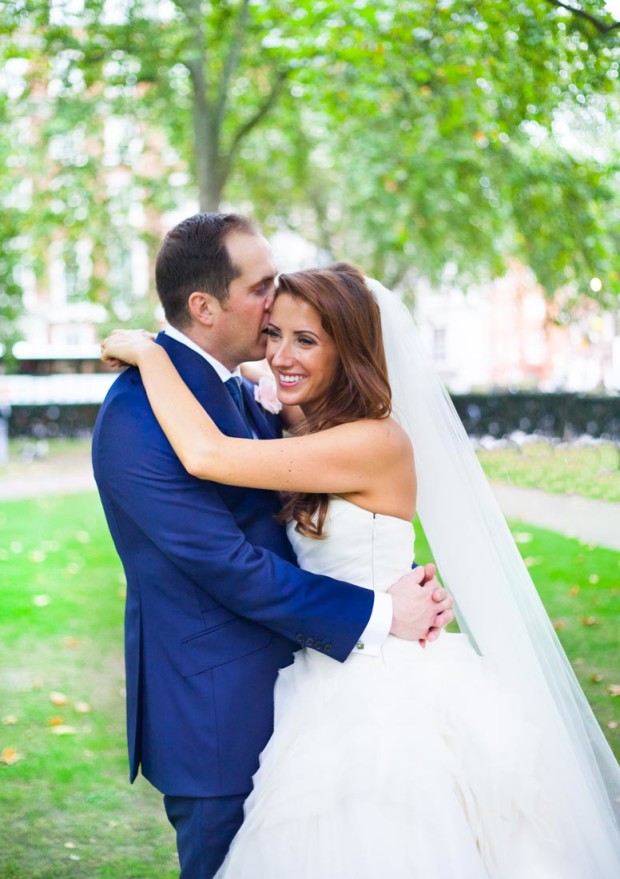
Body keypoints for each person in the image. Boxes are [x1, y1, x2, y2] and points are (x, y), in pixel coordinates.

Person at [102, 259, 620, 877]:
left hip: (379, 682)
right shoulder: (293, 420)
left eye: (307, 340)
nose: (281, 356)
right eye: (274, 334)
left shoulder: (373, 442)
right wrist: (238, 363)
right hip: (317, 674)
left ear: (348, 350)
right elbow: (236, 384)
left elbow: (208, 453)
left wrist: (153, 354)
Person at [91, 213, 454, 879]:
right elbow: (231, 564)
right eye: (263, 288)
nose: (275, 301)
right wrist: (381, 610)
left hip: (318, 693)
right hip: (218, 719)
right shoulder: (140, 415)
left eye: (304, 335)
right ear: (204, 306)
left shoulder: (258, 397)